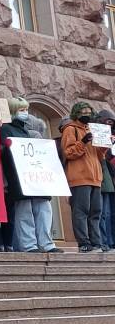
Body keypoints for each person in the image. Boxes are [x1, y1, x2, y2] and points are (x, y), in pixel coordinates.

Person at [2, 97, 61, 253]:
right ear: (13, 111)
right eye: (22, 110)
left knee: (44, 209)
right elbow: (3, 154)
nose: (25, 113)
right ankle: (29, 245)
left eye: (26, 109)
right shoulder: (5, 130)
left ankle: (47, 244)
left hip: (37, 176)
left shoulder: (27, 130)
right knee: (25, 211)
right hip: (19, 177)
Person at [61, 101, 104, 252]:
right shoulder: (70, 129)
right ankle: (83, 242)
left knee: (96, 212)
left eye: (89, 112)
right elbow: (68, 152)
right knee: (81, 211)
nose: (87, 114)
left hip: (95, 177)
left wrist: (104, 144)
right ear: (77, 113)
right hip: (79, 177)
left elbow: (99, 156)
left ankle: (96, 242)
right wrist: (83, 142)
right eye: (83, 112)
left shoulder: (91, 129)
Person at [97, 110, 115, 252]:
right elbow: (103, 157)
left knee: (108, 214)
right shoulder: (96, 134)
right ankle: (104, 241)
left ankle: (109, 241)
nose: (109, 125)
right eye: (107, 122)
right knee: (101, 214)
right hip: (99, 179)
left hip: (108, 180)